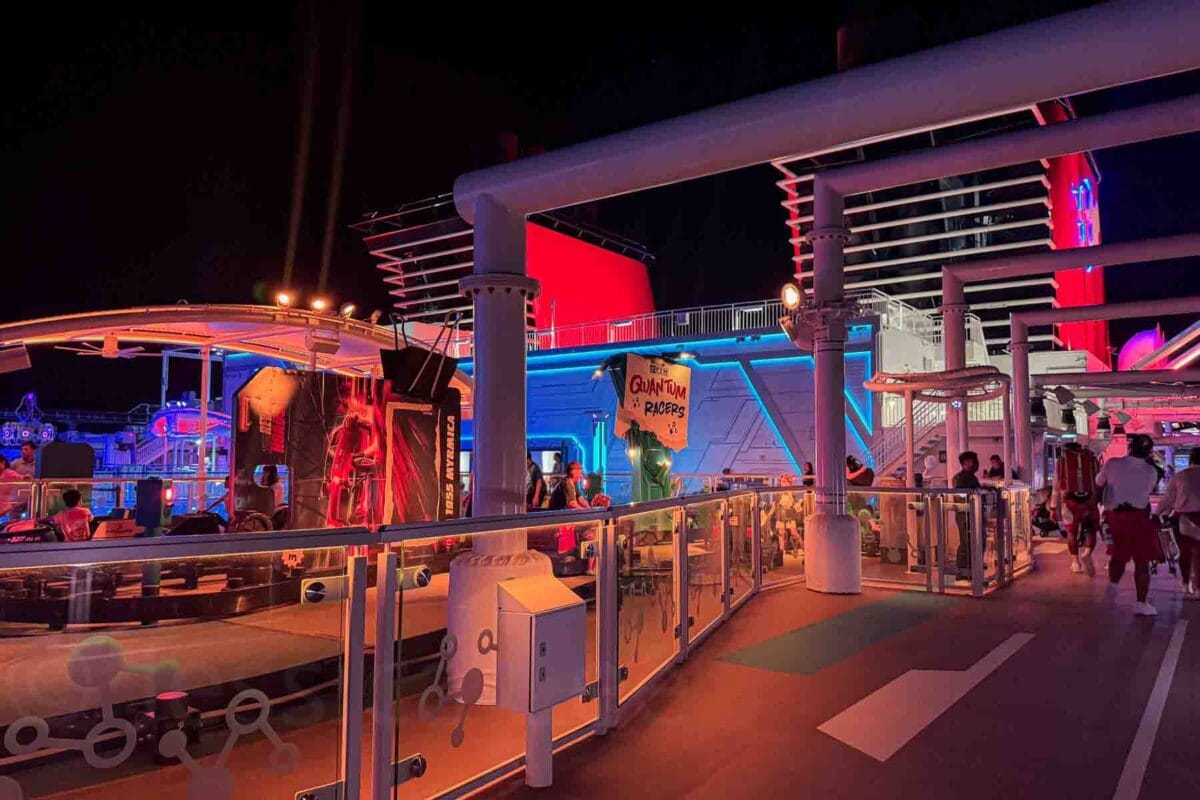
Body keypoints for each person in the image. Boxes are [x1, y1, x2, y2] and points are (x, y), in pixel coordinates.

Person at [1096, 434, 1163, 616]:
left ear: (1130, 447)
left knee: (1117, 555)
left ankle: (1113, 585)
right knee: (1142, 562)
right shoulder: (1152, 472)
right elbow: (1147, 490)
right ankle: (1141, 603)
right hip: (1139, 518)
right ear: (1149, 452)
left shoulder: (1112, 464)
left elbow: (1099, 485)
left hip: (1114, 517)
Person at [1155, 446, 1200, 600]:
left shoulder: (1180, 476)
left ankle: (1186, 584)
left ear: (1190, 459)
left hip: (1184, 520)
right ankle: (1199, 588)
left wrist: (1156, 515)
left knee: (1185, 554)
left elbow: (1167, 500)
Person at [1056, 441, 1101, 575]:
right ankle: (1087, 552)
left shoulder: (1062, 461)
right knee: (1091, 530)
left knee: (1071, 533)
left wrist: (1054, 507)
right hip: (1089, 501)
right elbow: (1098, 480)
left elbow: (1057, 487)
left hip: (1070, 503)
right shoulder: (1091, 458)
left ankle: (1075, 563)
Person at [952, 451, 981, 576]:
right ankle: (964, 570)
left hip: (966, 513)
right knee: (966, 541)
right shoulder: (964, 478)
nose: (975, 464)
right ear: (967, 463)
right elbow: (962, 494)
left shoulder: (966, 477)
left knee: (968, 541)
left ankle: (968, 569)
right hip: (966, 514)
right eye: (973, 461)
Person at [0, 455, 24, 520]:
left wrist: (25, 477)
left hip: (4, 506)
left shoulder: (8, 472)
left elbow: (19, 477)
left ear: (3, 463)